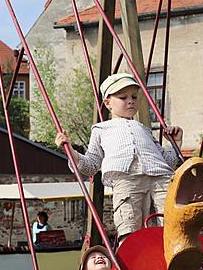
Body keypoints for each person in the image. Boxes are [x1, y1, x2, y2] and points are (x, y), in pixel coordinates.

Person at [55, 72, 183, 242]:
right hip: (126, 178)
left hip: (160, 177)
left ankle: (174, 257)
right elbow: (91, 164)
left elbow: (167, 161)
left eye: (134, 97)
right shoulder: (101, 129)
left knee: (172, 223)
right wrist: (70, 151)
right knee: (129, 226)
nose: (130, 100)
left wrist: (175, 143)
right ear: (108, 103)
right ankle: (132, 259)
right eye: (123, 97)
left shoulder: (144, 129)